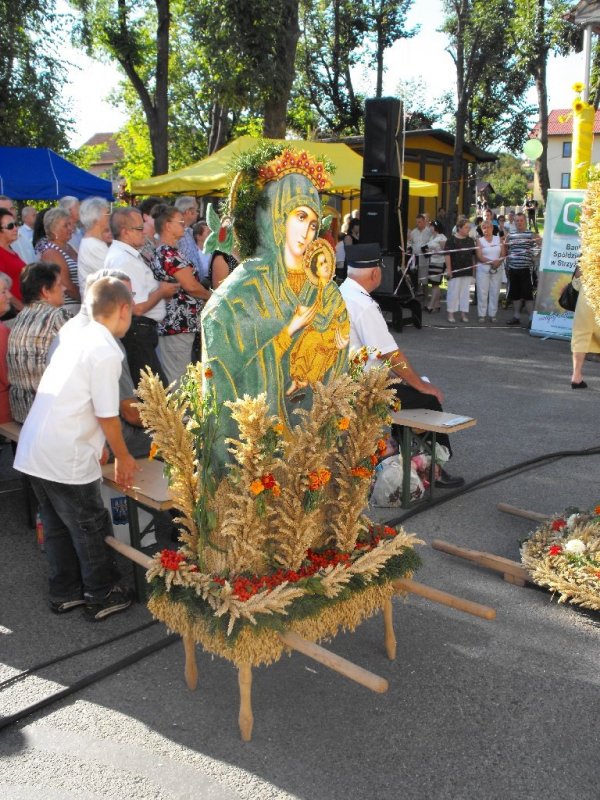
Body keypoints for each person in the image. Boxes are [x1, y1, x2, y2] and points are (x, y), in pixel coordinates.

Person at [202, 147, 349, 475]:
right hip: (259, 460)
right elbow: (222, 382)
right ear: (275, 216)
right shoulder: (237, 296)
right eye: (300, 217)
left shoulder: (326, 289)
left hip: (312, 450)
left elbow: (340, 358)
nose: (308, 231)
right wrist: (287, 334)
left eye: (313, 222)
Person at [14, 276, 137, 620]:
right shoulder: (106, 349)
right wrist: (123, 456)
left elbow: (78, 398)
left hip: (36, 447)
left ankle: (65, 590)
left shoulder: (75, 332)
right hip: (64, 453)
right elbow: (107, 414)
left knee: (55, 524)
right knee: (88, 524)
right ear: (123, 309)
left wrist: (98, 443)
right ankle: (101, 593)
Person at [339, 243, 464, 488]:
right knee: (428, 398)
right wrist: (421, 386)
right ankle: (434, 469)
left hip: (346, 382)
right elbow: (391, 355)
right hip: (365, 389)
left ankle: (405, 458)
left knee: (410, 392)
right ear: (375, 273)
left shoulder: (341, 292)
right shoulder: (363, 305)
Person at [105, 206, 177, 388]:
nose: (144, 232)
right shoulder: (125, 259)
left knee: (154, 391)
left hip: (141, 330)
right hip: (138, 331)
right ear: (125, 232)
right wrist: (162, 291)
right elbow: (136, 307)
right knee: (155, 394)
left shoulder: (125, 255)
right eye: (139, 228)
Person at [152, 206, 211, 385]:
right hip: (176, 325)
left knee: (183, 376)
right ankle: (180, 414)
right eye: (180, 222)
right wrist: (212, 296)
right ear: (168, 226)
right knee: (178, 379)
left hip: (181, 324)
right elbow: (191, 286)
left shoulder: (170, 251)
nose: (184, 226)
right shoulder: (168, 254)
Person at [8, 261, 70, 422]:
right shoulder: (56, 315)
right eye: (59, 285)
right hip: (47, 411)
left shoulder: (22, 314)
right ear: (45, 291)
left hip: (21, 410)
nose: (64, 289)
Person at [287, 239, 349, 395]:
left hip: (337, 330)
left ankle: (310, 383)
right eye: (321, 264)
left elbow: (324, 321)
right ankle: (299, 380)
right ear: (315, 269)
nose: (326, 265)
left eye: (327, 261)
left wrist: (305, 311)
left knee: (312, 340)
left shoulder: (332, 288)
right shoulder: (317, 288)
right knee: (302, 340)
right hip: (322, 328)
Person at [40, 207, 81, 312]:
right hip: (66, 308)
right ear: (54, 230)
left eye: (70, 224)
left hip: (77, 305)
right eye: (65, 225)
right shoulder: (51, 252)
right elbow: (65, 285)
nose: (70, 228)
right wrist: (85, 300)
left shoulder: (69, 247)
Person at [505, 212, 541, 327]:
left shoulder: (531, 234)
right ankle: (516, 317)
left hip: (526, 270)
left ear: (525, 221)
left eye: (521, 220)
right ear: (514, 222)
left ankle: (531, 319)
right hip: (513, 269)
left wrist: (535, 256)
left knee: (527, 295)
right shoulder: (510, 235)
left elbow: (541, 244)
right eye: (517, 221)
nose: (519, 223)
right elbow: (506, 247)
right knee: (515, 295)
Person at [569, 266, 600, 389]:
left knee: (581, 336)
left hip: (586, 299)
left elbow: (576, 280)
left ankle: (576, 376)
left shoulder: (589, 250)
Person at [444, 216, 476, 323]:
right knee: (453, 292)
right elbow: (447, 255)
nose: (468, 229)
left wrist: (473, 269)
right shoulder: (451, 240)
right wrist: (449, 269)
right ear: (460, 228)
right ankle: (450, 314)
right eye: (466, 227)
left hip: (466, 270)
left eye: (469, 227)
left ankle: (463, 314)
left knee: (465, 293)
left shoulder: (470, 240)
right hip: (454, 270)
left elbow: (473, 255)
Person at [77, 197, 111, 294]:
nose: (110, 216)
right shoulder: (93, 246)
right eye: (107, 213)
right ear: (96, 220)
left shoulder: (95, 242)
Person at [475, 220, 505, 322]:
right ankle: (481, 314)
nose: (486, 229)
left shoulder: (499, 239)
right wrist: (492, 262)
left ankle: (493, 314)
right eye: (484, 227)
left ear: (492, 228)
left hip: (497, 269)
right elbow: (479, 256)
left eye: (488, 227)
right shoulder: (479, 240)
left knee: (495, 291)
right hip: (483, 269)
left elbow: (503, 254)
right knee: (482, 292)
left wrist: (498, 263)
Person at [0, 206, 26, 311]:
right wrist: (22, 309)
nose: (16, 229)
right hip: (11, 313)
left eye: (16, 224)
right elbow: (2, 288)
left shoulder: (11, 250)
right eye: (10, 226)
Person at [173, 196, 201, 274]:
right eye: (197, 210)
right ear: (188, 211)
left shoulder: (190, 231)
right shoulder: (174, 232)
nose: (198, 213)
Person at [425, 220, 446, 313]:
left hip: (439, 262)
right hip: (432, 261)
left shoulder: (442, 237)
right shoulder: (431, 237)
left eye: (432, 226)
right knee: (434, 284)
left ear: (436, 227)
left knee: (435, 284)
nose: (430, 227)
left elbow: (444, 250)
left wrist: (436, 250)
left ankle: (431, 305)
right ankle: (437, 305)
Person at [408, 214, 432, 293]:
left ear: (424, 222)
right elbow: (409, 243)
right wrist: (409, 248)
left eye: (420, 222)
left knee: (424, 281)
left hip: (425, 260)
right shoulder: (413, 232)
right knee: (415, 280)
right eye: (417, 222)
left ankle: (425, 299)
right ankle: (416, 296)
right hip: (415, 260)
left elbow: (432, 244)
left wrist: (427, 250)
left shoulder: (429, 232)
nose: (418, 224)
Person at [0, 279, 11, 422]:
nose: (9, 296)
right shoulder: (1, 331)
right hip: (4, 407)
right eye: (3, 292)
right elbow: (7, 377)